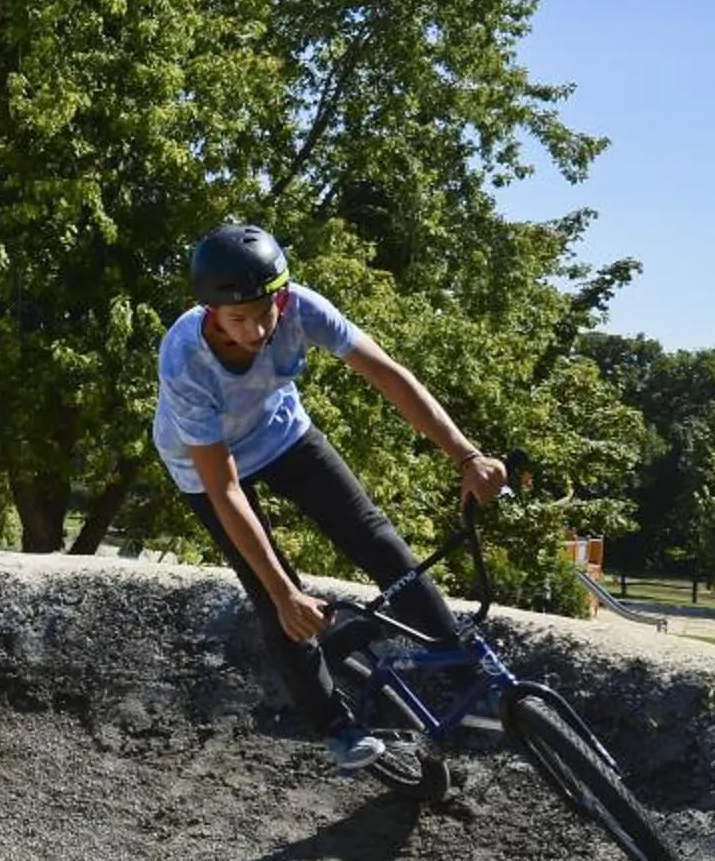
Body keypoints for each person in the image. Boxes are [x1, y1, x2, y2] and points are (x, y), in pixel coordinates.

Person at [157, 222, 508, 772]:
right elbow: (224, 488)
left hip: (281, 433)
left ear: (282, 295)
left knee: (377, 538)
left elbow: (390, 376)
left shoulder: (300, 308)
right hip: (208, 467)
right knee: (277, 594)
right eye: (237, 320)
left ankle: (464, 672)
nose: (255, 331)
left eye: (264, 312)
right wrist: (284, 594)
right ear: (209, 313)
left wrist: (467, 455)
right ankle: (335, 725)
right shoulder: (184, 360)